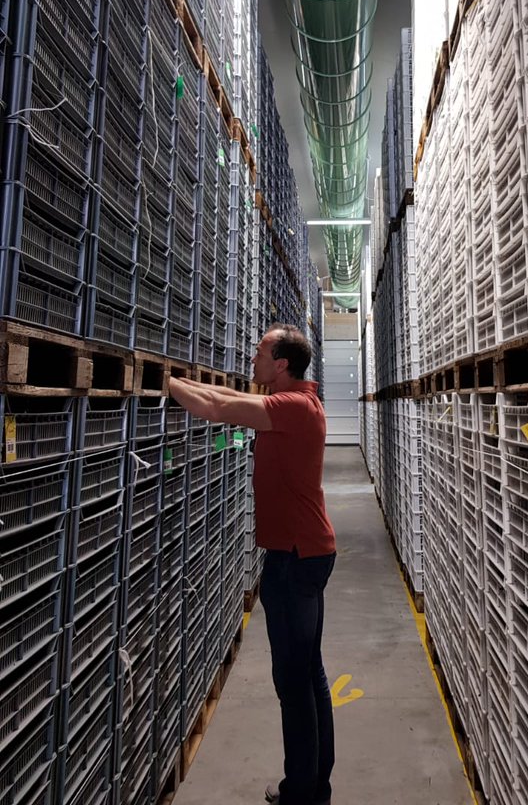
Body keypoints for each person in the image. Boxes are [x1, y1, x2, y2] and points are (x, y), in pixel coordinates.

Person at [169, 325, 336, 805]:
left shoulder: (291, 408)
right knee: (308, 673)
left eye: (260, 351)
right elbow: (227, 394)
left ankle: (302, 791)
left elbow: (219, 409)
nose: (253, 357)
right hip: (301, 553)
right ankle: (314, 786)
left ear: (282, 363)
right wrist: (189, 378)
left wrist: (164, 381)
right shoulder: (293, 402)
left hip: (296, 557)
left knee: (293, 680)